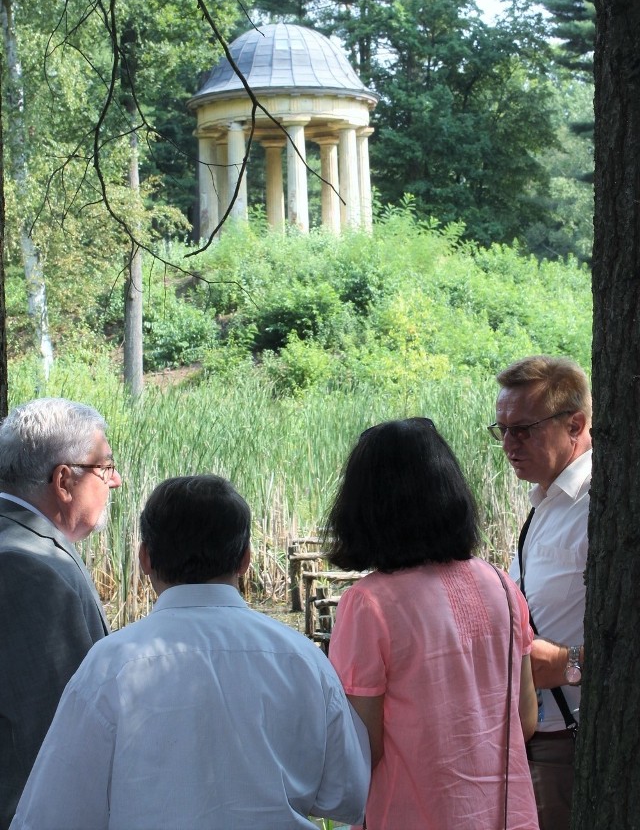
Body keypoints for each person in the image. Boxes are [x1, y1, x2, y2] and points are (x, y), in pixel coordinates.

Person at [10, 474, 370, 830]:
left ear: (144, 559)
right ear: (245, 559)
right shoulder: (303, 659)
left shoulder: (110, 666)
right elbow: (348, 796)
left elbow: (51, 815)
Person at [323, 417, 539, 830]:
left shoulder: (368, 604)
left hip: (412, 815)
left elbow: (361, 748)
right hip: (508, 816)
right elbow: (525, 719)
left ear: (365, 507)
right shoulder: (500, 583)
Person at [0, 397, 121, 830]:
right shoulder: (28, 569)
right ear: (64, 480)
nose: (117, 481)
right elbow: (56, 735)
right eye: (105, 468)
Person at [490, 355, 592, 830]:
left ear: (576, 425)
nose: (509, 444)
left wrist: (569, 665)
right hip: (534, 737)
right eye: (503, 429)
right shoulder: (548, 501)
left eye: (524, 429)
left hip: (574, 745)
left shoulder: (600, 504)